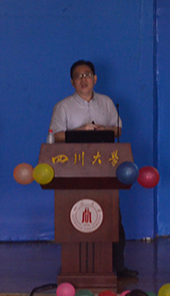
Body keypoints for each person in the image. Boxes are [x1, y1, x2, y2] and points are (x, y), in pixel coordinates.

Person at [49, 59, 137, 279]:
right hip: (74, 170)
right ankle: (73, 267)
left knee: (112, 217)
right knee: (75, 215)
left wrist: (102, 129)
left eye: (87, 75)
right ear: (72, 82)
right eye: (78, 76)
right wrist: (81, 130)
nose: (83, 80)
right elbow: (56, 136)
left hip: (105, 169)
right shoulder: (63, 106)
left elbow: (118, 130)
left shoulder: (107, 102)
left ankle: (118, 266)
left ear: (95, 79)